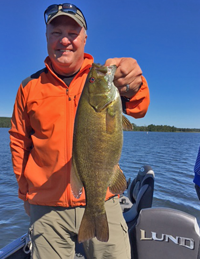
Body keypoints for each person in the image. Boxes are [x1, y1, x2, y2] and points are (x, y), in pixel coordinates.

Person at [9, 3, 150, 259]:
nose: (64, 40)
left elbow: (139, 107)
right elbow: (19, 142)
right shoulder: (29, 87)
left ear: (85, 38)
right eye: (56, 32)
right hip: (46, 208)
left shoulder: (103, 79)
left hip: (103, 200)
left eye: (73, 33)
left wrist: (134, 84)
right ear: (46, 37)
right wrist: (25, 194)